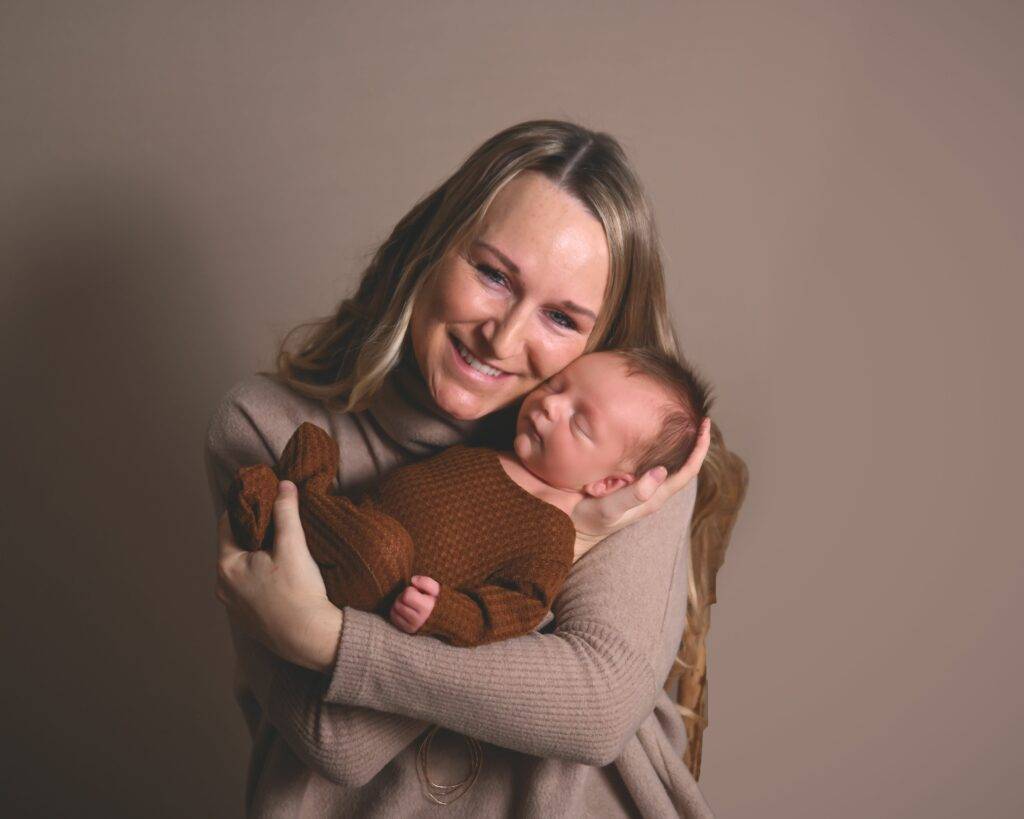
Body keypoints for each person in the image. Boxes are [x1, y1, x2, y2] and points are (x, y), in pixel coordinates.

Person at [207, 119, 748, 817]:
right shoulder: (267, 425)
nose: (505, 336)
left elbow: (595, 704)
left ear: (600, 337)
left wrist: (332, 640)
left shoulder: (631, 452)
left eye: (561, 317)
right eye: (493, 274)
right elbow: (333, 740)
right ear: (434, 249)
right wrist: (573, 547)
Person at [227, 348, 711, 649]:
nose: (549, 405)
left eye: (579, 423)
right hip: (359, 515)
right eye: (559, 385)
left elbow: (514, 608)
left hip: (381, 579)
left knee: (382, 550)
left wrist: (442, 613)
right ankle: (301, 506)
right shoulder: (490, 446)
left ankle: (285, 506)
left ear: (608, 484)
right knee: (314, 441)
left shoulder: (553, 532)